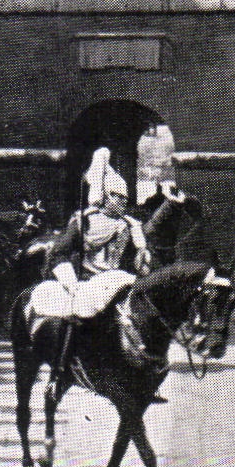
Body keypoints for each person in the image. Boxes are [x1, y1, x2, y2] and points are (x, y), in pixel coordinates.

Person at [38, 148, 151, 371]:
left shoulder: (130, 225)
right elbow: (58, 253)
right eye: (117, 197)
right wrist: (69, 279)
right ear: (106, 197)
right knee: (71, 318)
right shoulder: (84, 222)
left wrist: (142, 253)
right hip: (88, 281)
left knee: (143, 319)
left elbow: (136, 265)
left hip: (119, 281)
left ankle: (143, 371)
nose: (122, 202)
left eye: (125, 198)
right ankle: (60, 370)